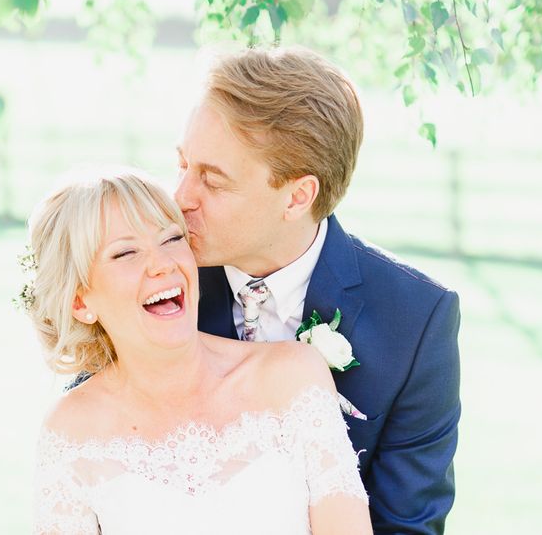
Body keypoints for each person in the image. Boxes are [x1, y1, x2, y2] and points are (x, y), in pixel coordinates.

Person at [174, 46, 461, 534]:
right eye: (182, 164)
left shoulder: (416, 320)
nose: (180, 197)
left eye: (213, 181)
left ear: (297, 196)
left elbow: (407, 525)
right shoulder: (152, 279)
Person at [23, 169, 372, 534]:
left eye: (172, 238)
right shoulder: (70, 432)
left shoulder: (293, 376)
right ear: (80, 301)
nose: (163, 264)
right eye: (125, 253)